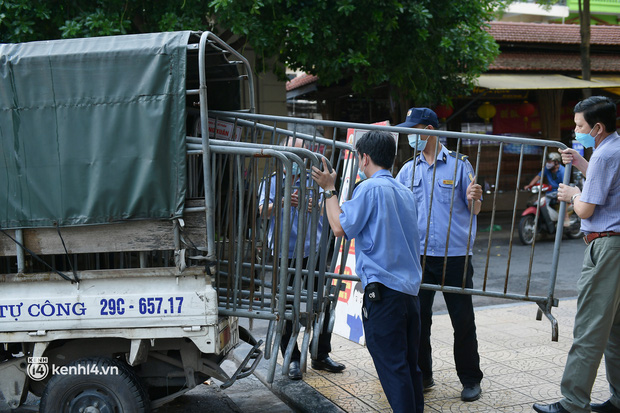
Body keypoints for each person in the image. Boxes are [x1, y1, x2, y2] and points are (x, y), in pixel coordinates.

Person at [311, 130, 424, 413]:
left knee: (395, 370)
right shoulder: (404, 192)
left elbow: (339, 227)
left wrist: (329, 190)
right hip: (409, 296)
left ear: (365, 158)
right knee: (410, 368)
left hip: (385, 297)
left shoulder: (369, 188)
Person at [533, 96, 620, 413]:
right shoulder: (614, 148)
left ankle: (573, 402)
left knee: (590, 326)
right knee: (614, 328)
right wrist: (583, 164)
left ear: (597, 127)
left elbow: (584, 207)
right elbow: (606, 183)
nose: (575, 130)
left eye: (579, 125)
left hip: (607, 246)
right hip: (616, 245)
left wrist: (572, 194)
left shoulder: (604, 156)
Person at [395, 107, 484, 402]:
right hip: (419, 256)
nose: (410, 136)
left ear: (430, 130)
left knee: (463, 320)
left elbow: (475, 208)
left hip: (455, 256)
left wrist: (475, 199)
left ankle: (471, 379)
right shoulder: (408, 169)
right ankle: (424, 376)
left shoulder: (460, 165)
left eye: (414, 129)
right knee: (419, 320)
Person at [258, 137, 345, 381]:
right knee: (286, 306)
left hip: (313, 252)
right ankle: (292, 357)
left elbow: (329, 206)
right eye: (292, 150)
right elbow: (261, 210)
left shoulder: (316, 182)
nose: (298, 158)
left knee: (323, 302)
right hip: (284, 255)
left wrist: (313, 207)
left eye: (301, 152)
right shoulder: (272, 181)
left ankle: (320, 354)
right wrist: (282, 201)